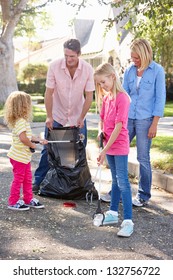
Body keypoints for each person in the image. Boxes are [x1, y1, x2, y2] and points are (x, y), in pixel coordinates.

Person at [32, 38, 95, 194]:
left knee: (78, 149)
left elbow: (89, 96)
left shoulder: (87, 69)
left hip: (77, 115)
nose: (68, 59)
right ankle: (38, 181)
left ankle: (74, 186)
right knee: (49, 148)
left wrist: (82, 117)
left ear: (79, 54)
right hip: (57, 114)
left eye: (72, 56)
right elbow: (49, 93)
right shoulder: (54, 66)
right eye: (66, 55)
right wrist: (48, 116)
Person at [123, 38, 166, 207]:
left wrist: (154, 123)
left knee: (143, 157)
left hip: (145, 120)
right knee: (118, 153)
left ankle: (143, 195)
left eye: (137, 58)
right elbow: (123, 95)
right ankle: (117, 190)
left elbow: (160, 98)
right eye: (132, 58)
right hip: (128, 118)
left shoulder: (157, 71)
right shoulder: (129, 71)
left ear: (145, 54)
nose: (134, 61)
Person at [94, 63, 134, 237]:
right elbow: (102, 120)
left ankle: (128, 221)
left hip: (119, 145)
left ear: (112, 76)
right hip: (108, 145)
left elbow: (119, 127)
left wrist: (105, 150)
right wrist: (100, 134)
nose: (102, 86)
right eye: (100, 84)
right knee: (115, 181)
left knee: (123, 182)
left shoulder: (122, 98)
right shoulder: (107, 97)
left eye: (103, 82)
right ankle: (112, 213)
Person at [4, 91, 47, 211]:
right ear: (22, 106)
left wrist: (39, 140)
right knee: (19, 179)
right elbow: (23, 138)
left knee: (27, 179)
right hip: (18, 157)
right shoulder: (20, 122)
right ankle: (13, 201)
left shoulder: (22, 121)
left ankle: (28, 199)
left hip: (23, 157)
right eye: (28, 104)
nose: (30, 107)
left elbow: (28, 136)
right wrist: (32, 145)